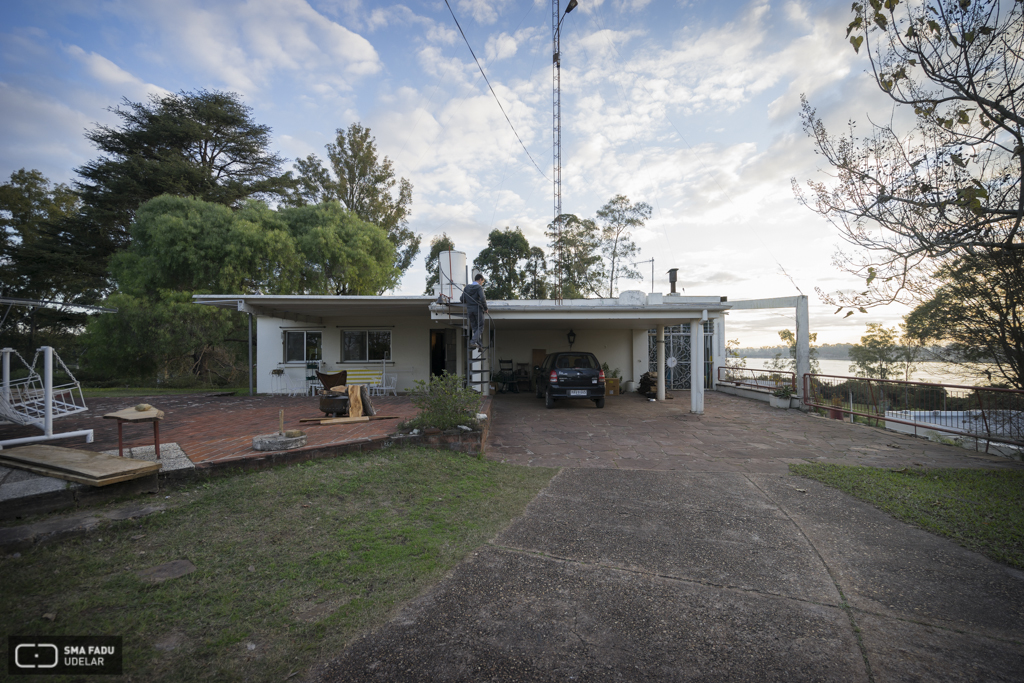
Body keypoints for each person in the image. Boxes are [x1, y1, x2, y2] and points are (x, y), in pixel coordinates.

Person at [460, 273, 488, 350]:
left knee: (475, 328)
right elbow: (482, 298)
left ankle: (480, 345)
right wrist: (485, 308)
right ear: (480, 280)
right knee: (480, 327)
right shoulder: (479, 288)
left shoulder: (466, 288)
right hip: (477, 309)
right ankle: (472, 342)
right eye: (482, 282)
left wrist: (469, 301)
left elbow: (462, 299)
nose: (482, 284)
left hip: (469, 310)